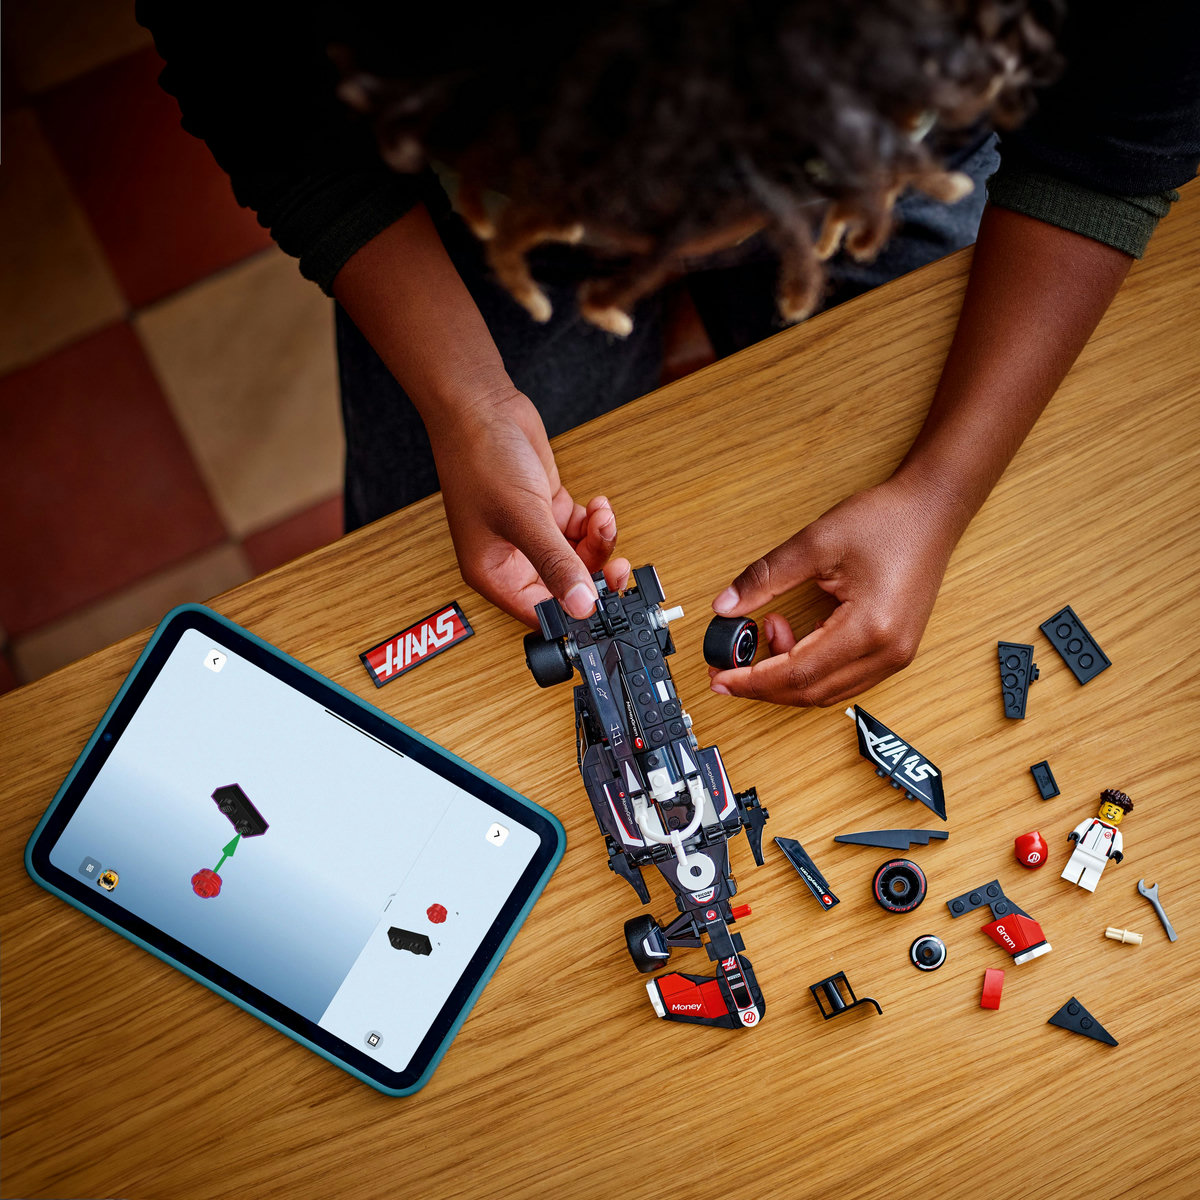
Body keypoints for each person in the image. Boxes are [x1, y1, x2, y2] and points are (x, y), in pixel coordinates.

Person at [139, 1, 1200, 707]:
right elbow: (251, 79)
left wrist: (941, 490)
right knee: (412, 580)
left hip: (912, 155)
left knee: (999, 502)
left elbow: (1111, 146)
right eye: (596, 225)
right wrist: (467, 402)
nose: (654, 273)